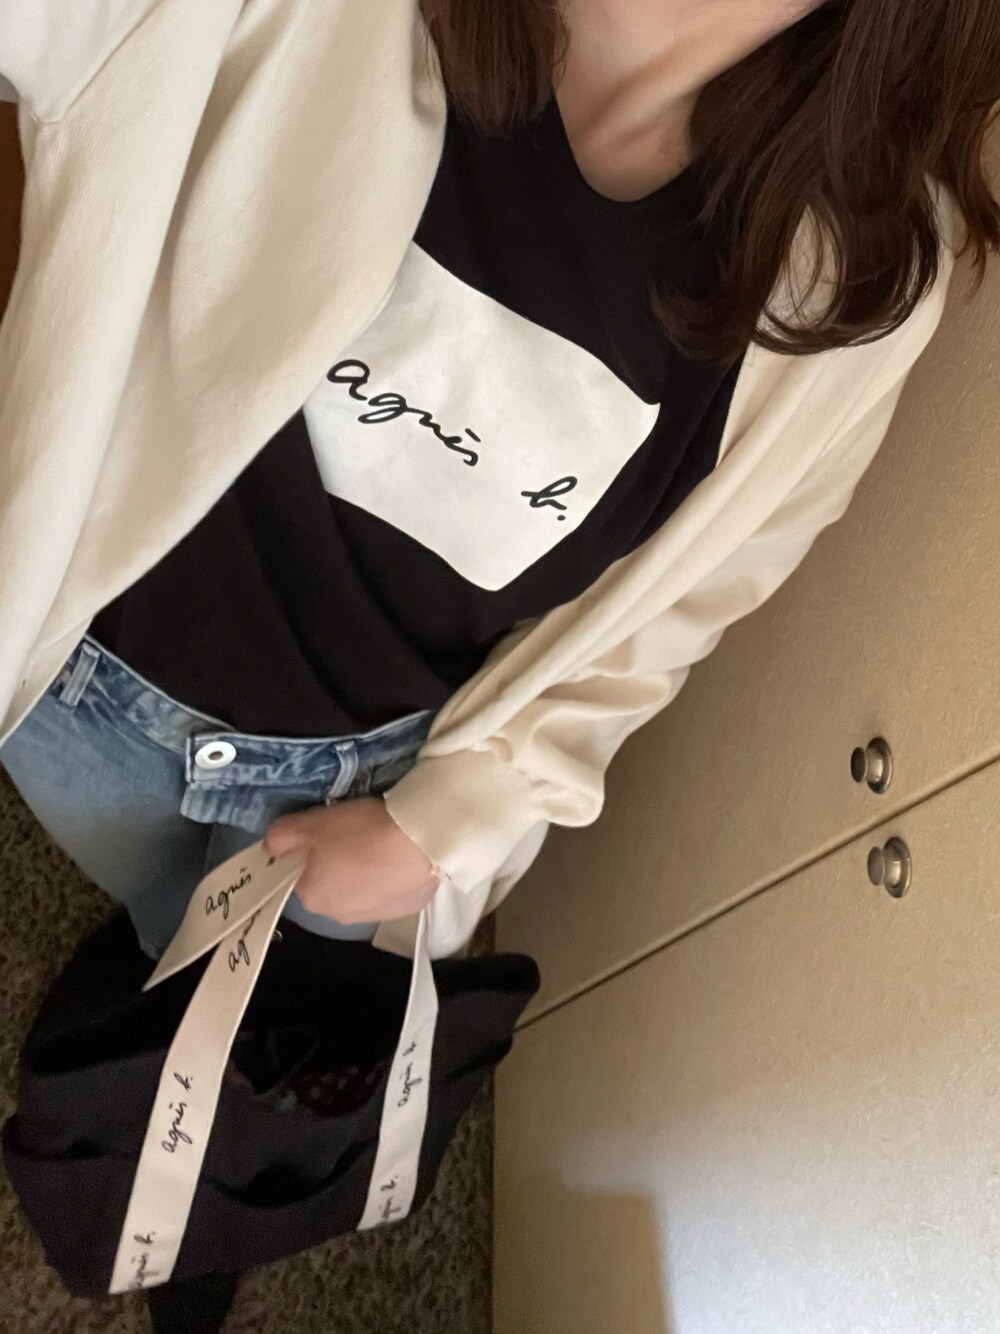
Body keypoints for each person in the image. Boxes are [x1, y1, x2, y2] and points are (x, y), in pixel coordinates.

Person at [0, 0, 997, 1328]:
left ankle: (194, 1153)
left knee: (268, 1017)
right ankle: (148, 1016)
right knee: (154, 913)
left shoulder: (853, 274)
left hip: (366, 788)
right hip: (80, 694)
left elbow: (687, 603)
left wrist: (444, 822)